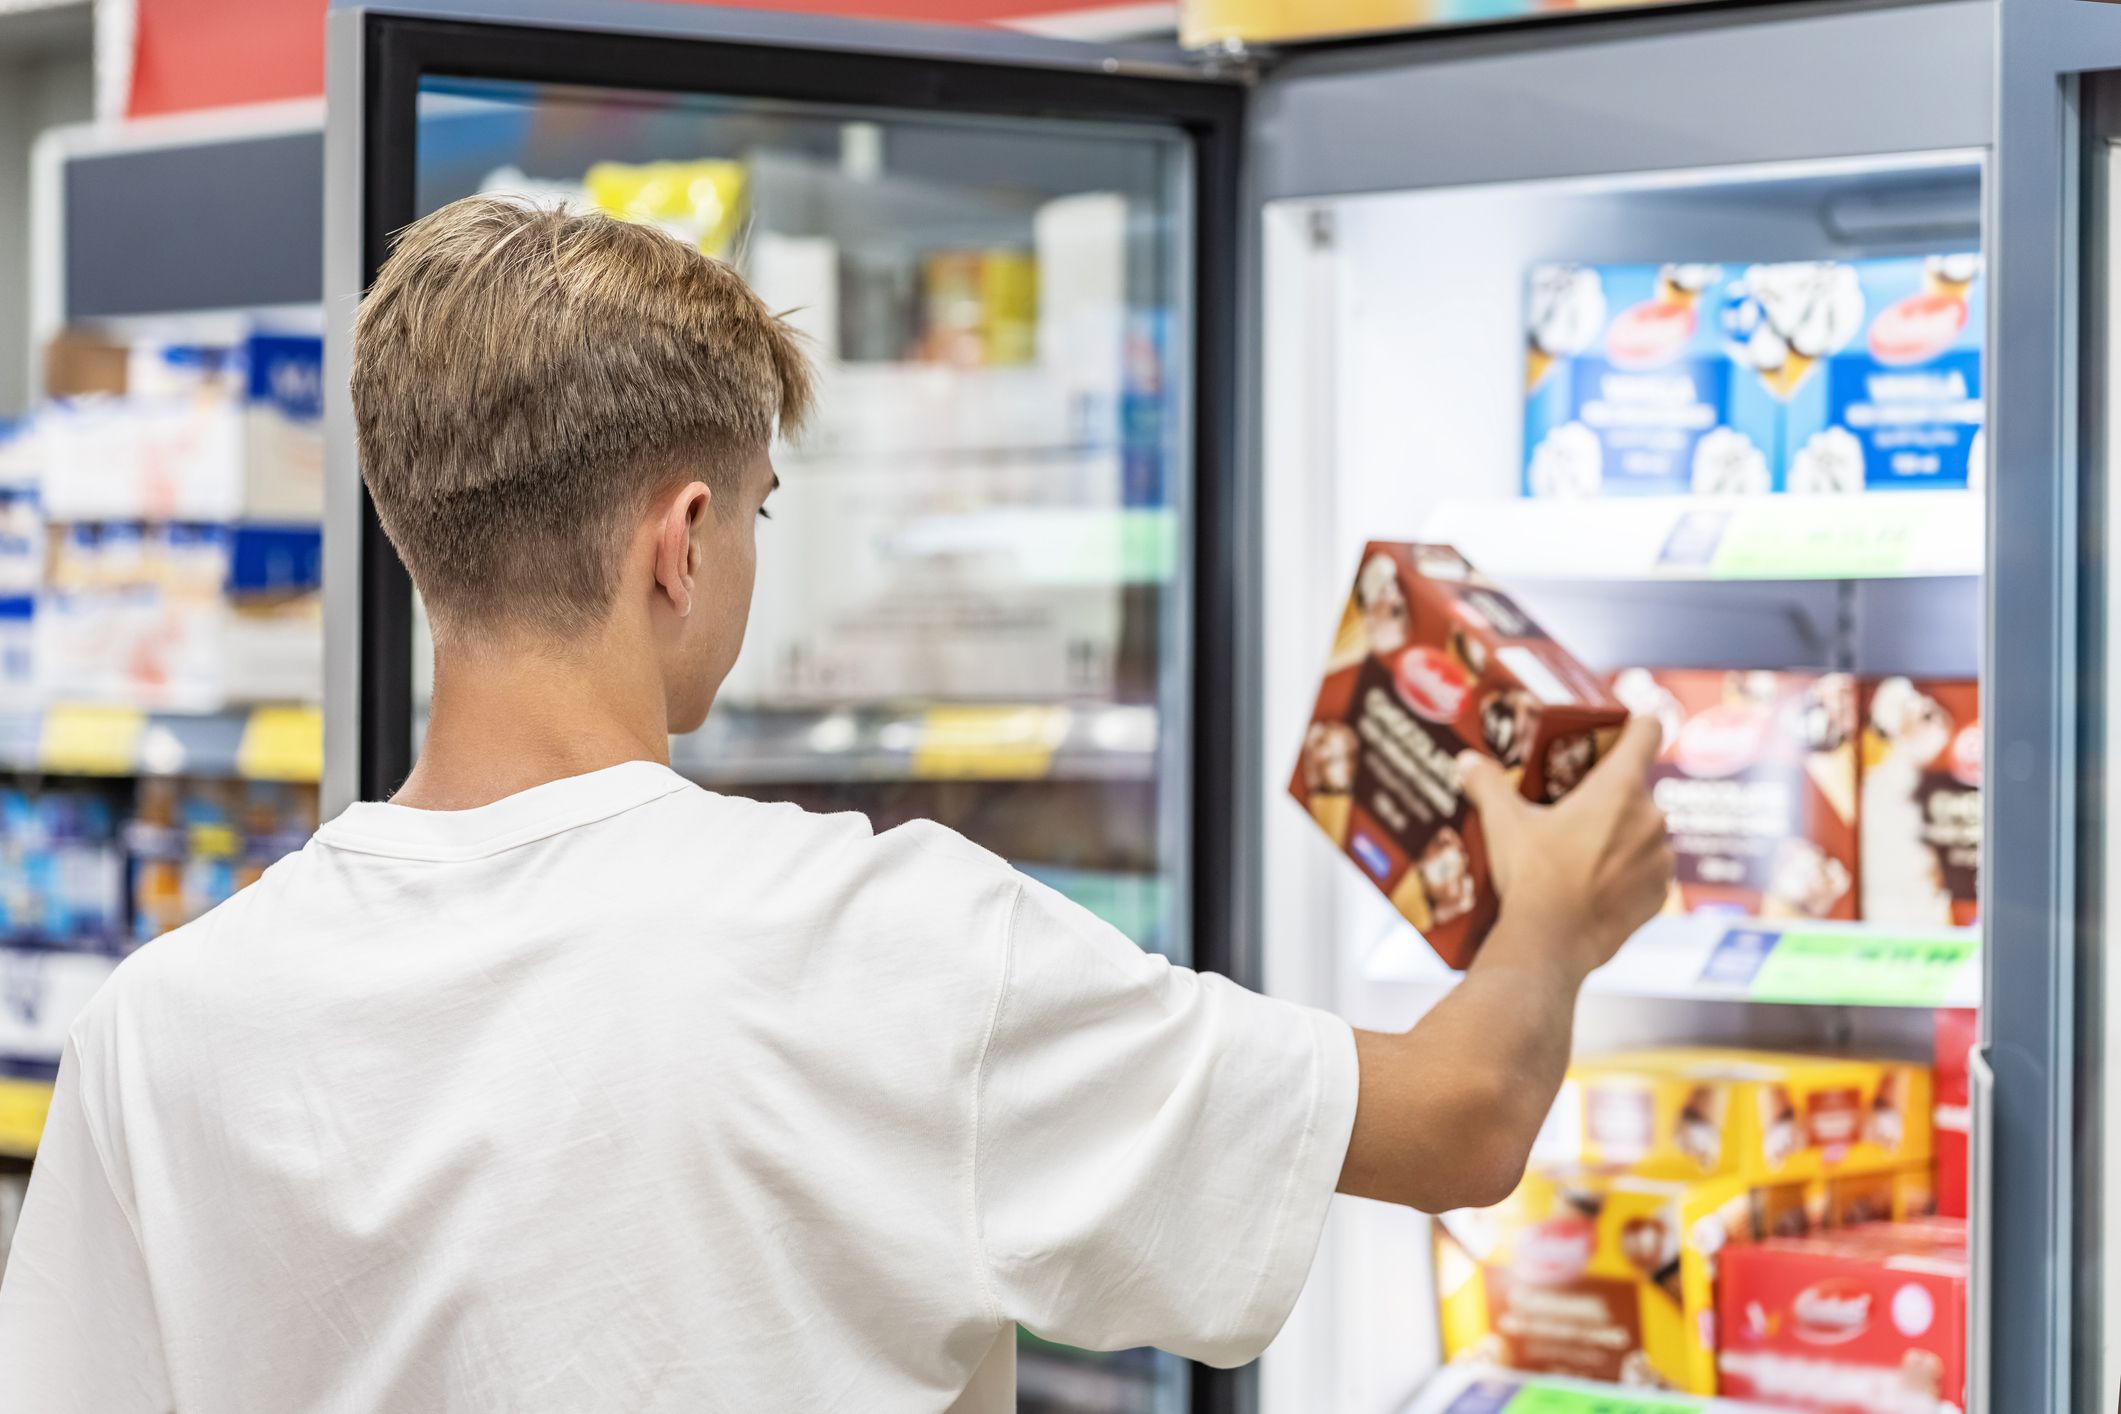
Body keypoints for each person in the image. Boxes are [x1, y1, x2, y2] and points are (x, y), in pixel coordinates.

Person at [0, 197, 1671, 1412]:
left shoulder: (163, 1026)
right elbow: (1456, 1121)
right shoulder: (877, 943)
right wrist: (1556, 914)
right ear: (682, 536)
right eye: (761, 519)